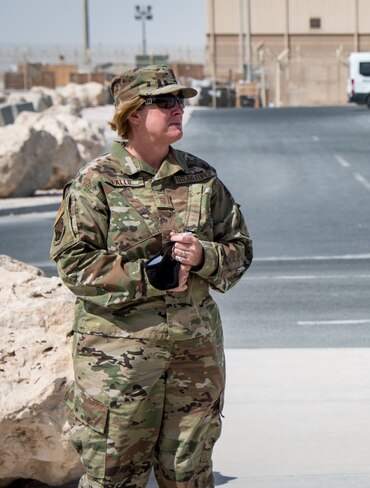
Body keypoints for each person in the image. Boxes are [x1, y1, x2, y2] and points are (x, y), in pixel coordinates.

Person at [50, 64, 253, 487]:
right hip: (119, 365)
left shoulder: (201, 178)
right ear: (134, 113)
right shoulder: (96, 183)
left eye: (180, 100)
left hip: (193, 358)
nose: (178, 108)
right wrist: (146, 275)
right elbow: (73, 264)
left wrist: (203, 256)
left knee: (190, 475)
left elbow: (240, 250)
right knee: (114, 476)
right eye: (165, 101)